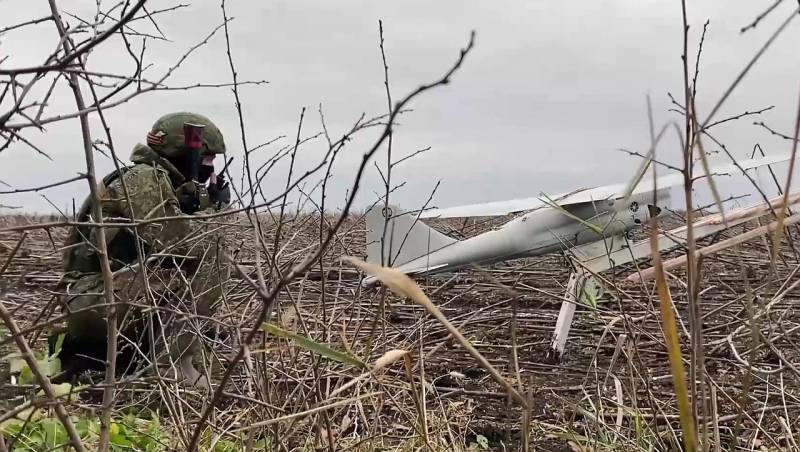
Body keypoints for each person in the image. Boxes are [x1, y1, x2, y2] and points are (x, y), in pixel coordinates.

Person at [52, 112, 232, 391]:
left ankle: (152, 362)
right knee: (215, 260)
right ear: (183, 154)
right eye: (207, 159)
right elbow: (184, 244)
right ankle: (168, 370)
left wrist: (195, 203)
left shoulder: (152, 180)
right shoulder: (142, 179)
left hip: (98, 299)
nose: (211, 167)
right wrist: (215, 210)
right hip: (91, 301)